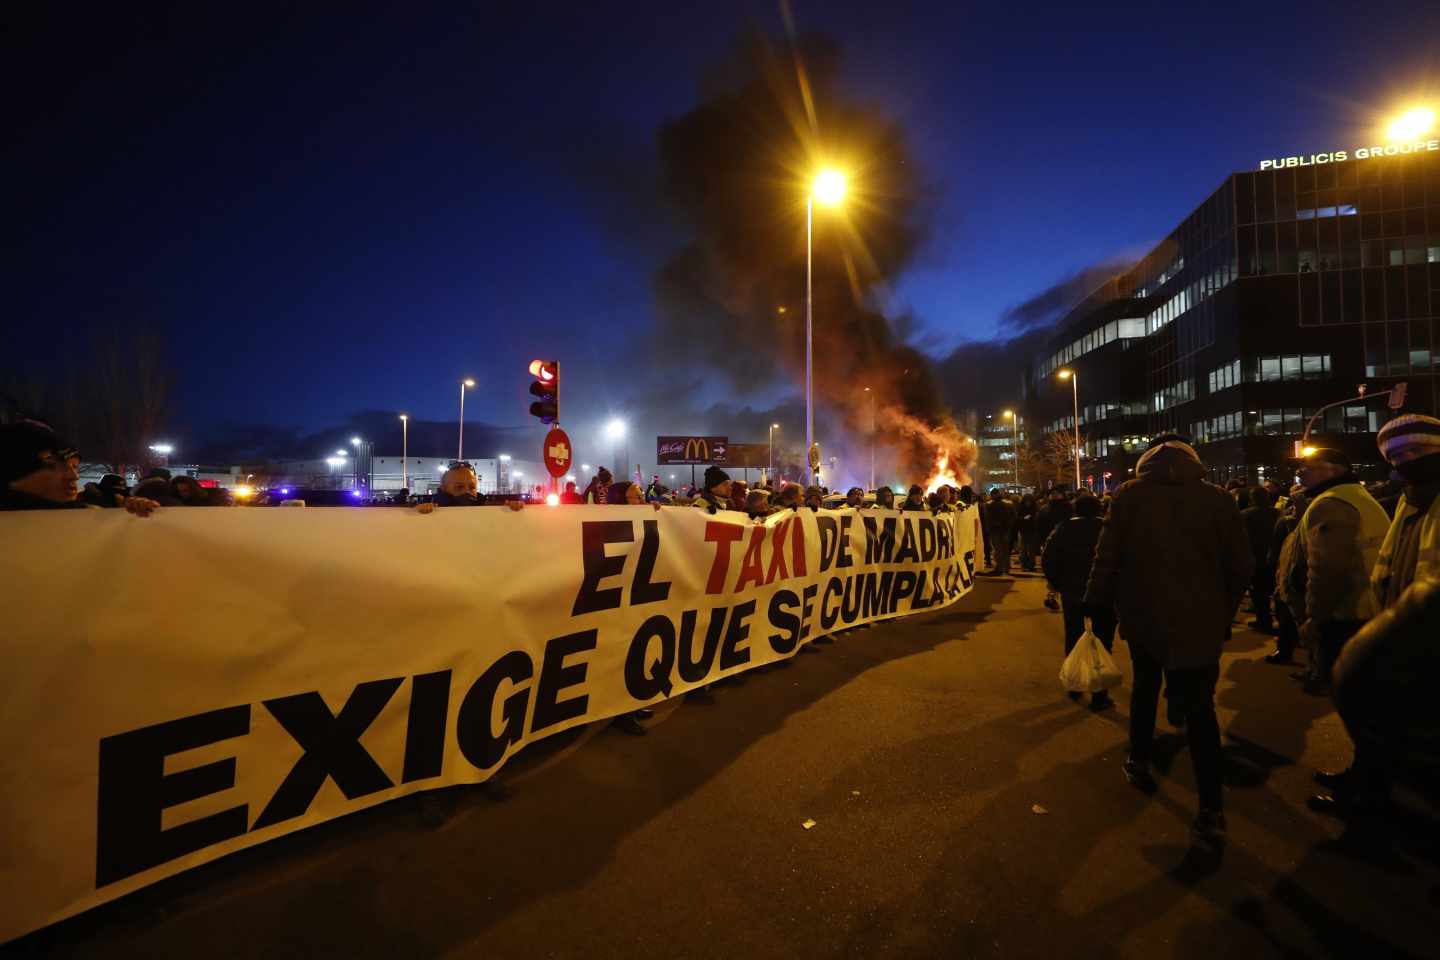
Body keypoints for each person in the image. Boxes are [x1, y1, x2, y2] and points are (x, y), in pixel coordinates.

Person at [1083, 436, 1251, 849]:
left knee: (1144, 688)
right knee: (1200, 710)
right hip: (1201, 621)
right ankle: (1211, 807)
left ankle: (1139, 759)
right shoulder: (1218, 500)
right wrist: (1222, 611)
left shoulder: (1128, 497)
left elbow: (1107, 555)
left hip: (1144, 618)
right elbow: (1241, 565)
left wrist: (1095, 601)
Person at [1310, 414, 1440, 817]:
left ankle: (1377, 797)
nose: (1406, 460)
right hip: (1396, 618)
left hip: (1427, 625)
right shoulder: (1410, 498)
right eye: (1397, 455)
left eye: (1418, 451)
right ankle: (1369, 782)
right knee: (1388, 716)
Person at [1292, 448, 1390, 689]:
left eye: (1309, 466)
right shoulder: (1356, 495)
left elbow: (1326, 569)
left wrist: (1315, 617)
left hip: (1345, 613)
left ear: (1336, 470)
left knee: (1348, 691)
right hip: (1368, 607)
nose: (1300, 472)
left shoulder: (1330, 503)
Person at [1042, 493, 1115, 710]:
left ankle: (1074, 685)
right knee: (1103, 641)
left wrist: (1057, 583)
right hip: (1103, 592)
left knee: (1073, 636)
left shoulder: (1064, 529)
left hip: (1072, 592)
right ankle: (1099, 693)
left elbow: (1048, 558)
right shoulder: (1108, 528)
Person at [1, 420, 158, 516]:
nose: (74, 476)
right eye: (51, 466)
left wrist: (130, 518)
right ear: (13, 474)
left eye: (74, 467)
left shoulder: (88, 516)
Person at [1240, 486, 1280, 634]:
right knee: (1274, 591)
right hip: (1274, 556)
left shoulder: (1245, 515)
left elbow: (1241, 538)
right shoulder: (1277, 513)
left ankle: (1263, 621)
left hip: (1255, 557)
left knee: (1258, 593)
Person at [416, 464, 483, 512]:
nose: (467, 491)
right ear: (444, 489)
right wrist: (420, 513)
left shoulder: (487, 507)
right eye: (459, 487)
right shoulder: (432, 507)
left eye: (472, 487)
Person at [985, 488, 1017, 575]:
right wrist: (1009, 527)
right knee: (1006, 550)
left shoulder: (989, 506)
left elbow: (988, 519)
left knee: (998, 550)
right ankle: (1006, 568)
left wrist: (991, 528)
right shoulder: (1009, 504)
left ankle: (999, 568)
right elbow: (1014, 517)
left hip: (995, 531)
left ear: (992, 495)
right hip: (1006, 531)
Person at [1017, 494, 1039, 571]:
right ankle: (1025, 563)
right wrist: (1023, 519)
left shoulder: (1034, 508)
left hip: (1031, 530)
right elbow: (1018, 519)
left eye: (1029, 501)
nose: (1028, 503)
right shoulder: (1021, 508)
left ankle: (1031, 564)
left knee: (1031, 549)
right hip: (1024, 530)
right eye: (1027, 501)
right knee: (1024, 549)